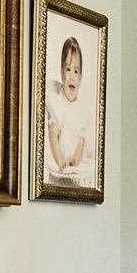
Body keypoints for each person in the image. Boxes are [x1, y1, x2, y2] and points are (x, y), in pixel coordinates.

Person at [44, 32, 93, 186]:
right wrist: (61, 161)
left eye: (76, 71)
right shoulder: (57, 99)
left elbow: (81, 141)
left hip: (73, 166)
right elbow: (53, 134)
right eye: (68, 69)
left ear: (81, 77)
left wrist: (74, 160)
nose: (72, 76)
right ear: (61, 72)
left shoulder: (82, 108)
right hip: (59, 163)